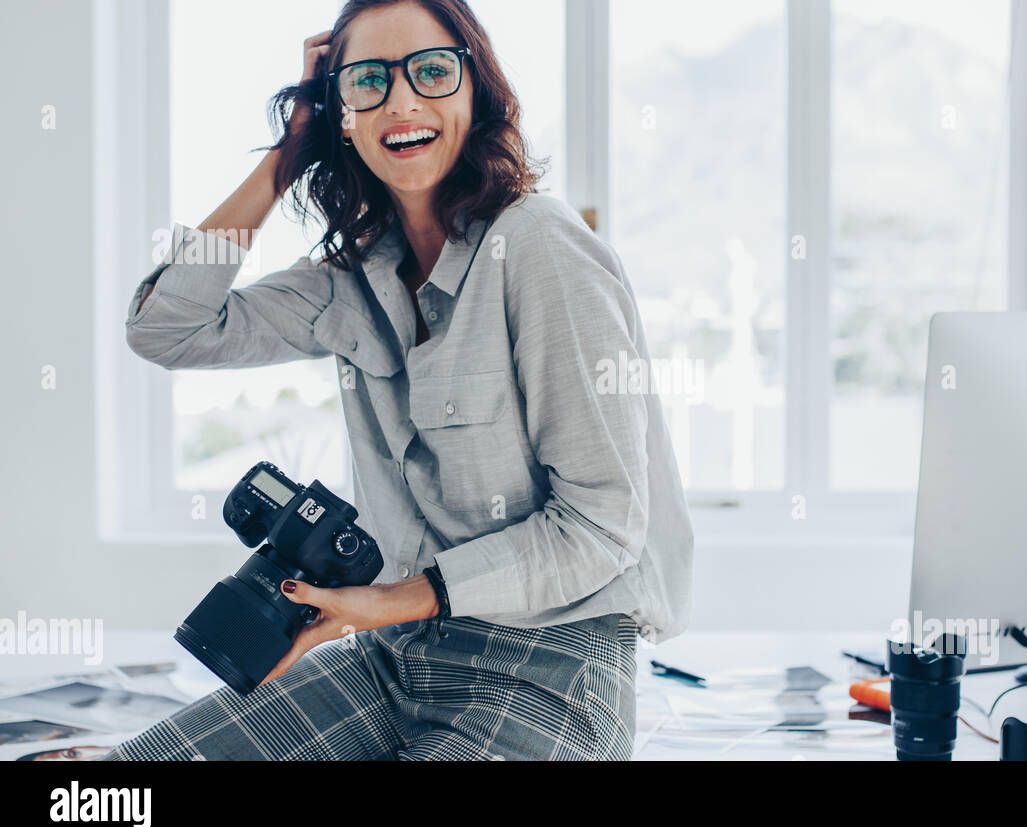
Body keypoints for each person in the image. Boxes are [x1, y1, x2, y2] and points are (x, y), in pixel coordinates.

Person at [102, 0, 692, 761]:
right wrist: (289, 155)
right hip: (393, 662)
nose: (403, 102)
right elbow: (166, 329)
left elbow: (603, 526)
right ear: (338, 110)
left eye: (432, 71)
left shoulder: (540, 248)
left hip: (551, 670)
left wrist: (378, 604)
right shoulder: (352, 277)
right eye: (369, 81)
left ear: (475, 90)